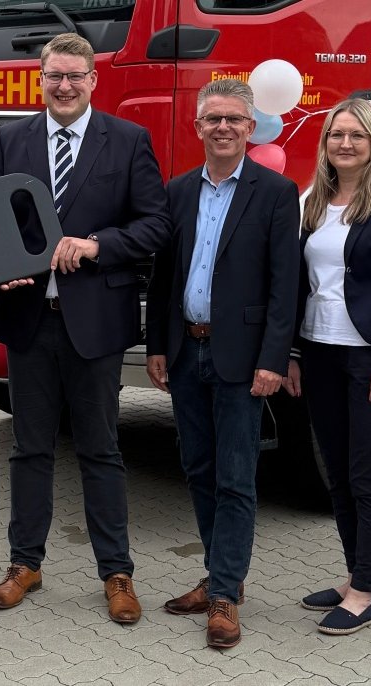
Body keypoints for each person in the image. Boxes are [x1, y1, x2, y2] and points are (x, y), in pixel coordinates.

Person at [0, 32, 171, 624]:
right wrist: (1, 267)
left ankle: (116, 572)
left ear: (93, 80)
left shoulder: (129, 140)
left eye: (74, 77)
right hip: (29, 320)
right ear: (40, 80)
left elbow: (155, 225)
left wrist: (96, 245)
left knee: (100, 449)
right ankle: (24, 564)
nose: (64, 87)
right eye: (54, 76)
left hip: (94, 324)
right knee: (29, 448)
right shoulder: (11, 140)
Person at [144, 78, 300, 648]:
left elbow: (286, 285)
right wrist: (157, 345)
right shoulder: (178, 190)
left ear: (252, 127)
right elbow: (163, 276)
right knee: (198, 469)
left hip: (243, 357)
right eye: (213, 119)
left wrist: (273, 358)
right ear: (198, 127)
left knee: (235, 477)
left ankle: (226, 595)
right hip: (187, 351)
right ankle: (218, 575)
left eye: (235, 119)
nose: (224, 128)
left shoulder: (276, 192)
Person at [282, 97, 371, 636]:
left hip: (370, 355)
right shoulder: (315, 201)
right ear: (325, 143)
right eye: (336, 135)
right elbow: (302, 285)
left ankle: (366, 592)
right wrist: (294, 352)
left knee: (369, 476)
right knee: (337, 474)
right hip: (319, 352)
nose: (345, 144)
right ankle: (352, 576)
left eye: (356, 135)